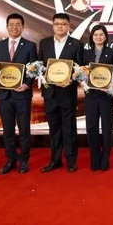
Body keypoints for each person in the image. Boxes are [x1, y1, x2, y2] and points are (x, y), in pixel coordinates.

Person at [0, 13, 38, 175]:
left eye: (18, 24)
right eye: (11, 24)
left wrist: (27, 84)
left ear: (23, 27)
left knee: (24, 130)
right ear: (7, 27)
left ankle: (24, 160)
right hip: (4, 95)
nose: (14, 27)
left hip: (22, 95)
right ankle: (10, 159)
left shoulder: (30, 46)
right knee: (7, 130)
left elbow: (34, 69)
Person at [39, 13, 83, 173]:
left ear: (69, 26)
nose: (60, 27)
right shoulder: (44, 43)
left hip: (67, 93)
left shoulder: (76, 44)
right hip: (50, 93)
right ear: (52, 25)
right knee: (54, 128)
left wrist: (71, 79)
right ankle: (55, 160)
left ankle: (71, 160)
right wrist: (42, 75)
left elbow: (80, 69)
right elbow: (40, 66)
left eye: (63, 24)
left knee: (69, 128)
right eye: (57, 24)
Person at [82, 24, 113, 171]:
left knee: (107, 127)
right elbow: (81, 72)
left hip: (106, 95)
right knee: (91, 127)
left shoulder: (112, 52)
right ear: (92, 37)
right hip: (91, 95)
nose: (98, 37)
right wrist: (84, 84)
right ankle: (95, 159)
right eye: (95, 35)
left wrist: (111, 87)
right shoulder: (86, 53)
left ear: (106, 37)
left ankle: (105, 159)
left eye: (101, 35)